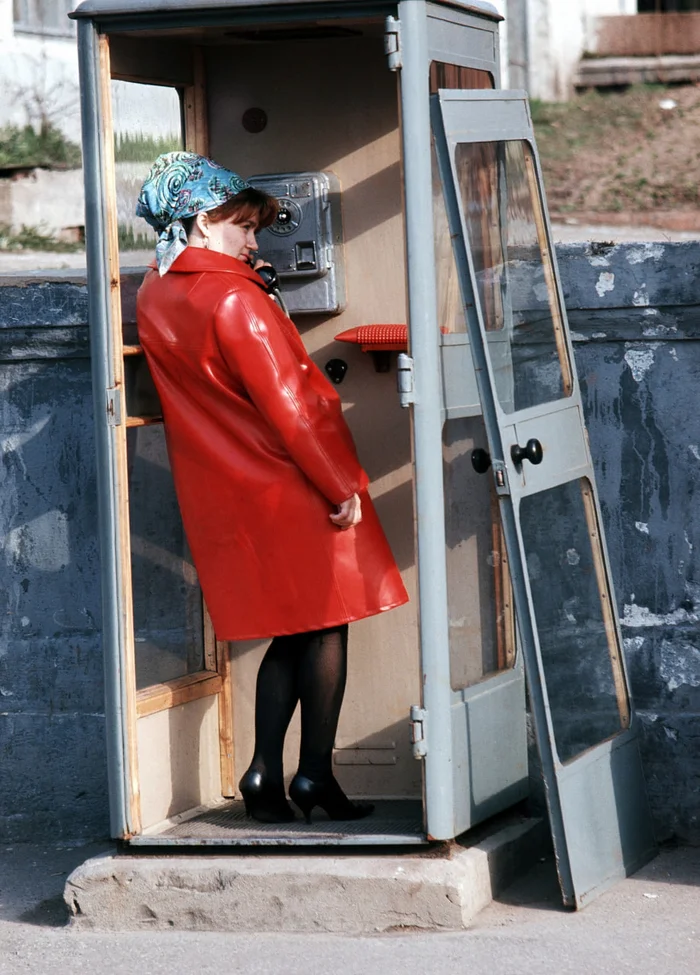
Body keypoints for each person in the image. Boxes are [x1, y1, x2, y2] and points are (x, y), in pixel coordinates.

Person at [135, 152, 409, 825]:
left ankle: (268, 773)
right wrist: (339, 483)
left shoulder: (156, 292)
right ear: (202, 221)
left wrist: (262, 290)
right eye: (243, 227)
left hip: (230, 486)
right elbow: (288, 402)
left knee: (293, 630)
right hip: (290, 480)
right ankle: (311, 773)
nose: (255, 241)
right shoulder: (235, 298)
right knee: (323, 626)